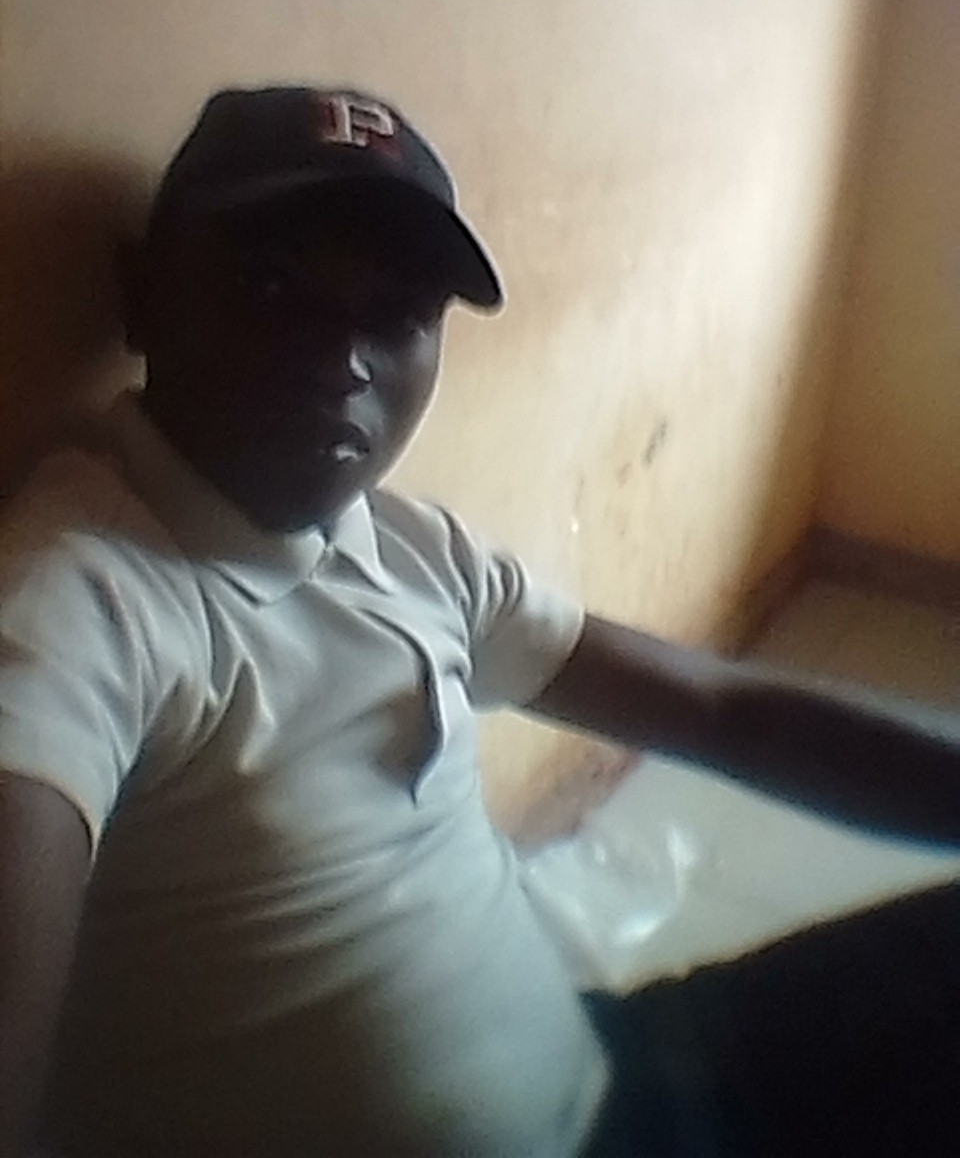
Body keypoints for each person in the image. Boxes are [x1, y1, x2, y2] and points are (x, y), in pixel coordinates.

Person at [0, 85, 956, 1158]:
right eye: (272, 286)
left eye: (397, 311)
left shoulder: (411, 548)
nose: (343, 358)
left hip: (621, 1072)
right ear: (142, 296)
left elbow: (724, 712)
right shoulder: (78, 605)